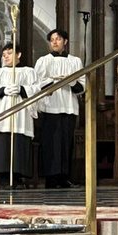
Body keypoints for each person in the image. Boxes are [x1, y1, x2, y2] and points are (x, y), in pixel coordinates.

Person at [0, 42, 41, 188]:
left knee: (19, 143)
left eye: (9, 53)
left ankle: (18, 177)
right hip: (3, 113)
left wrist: (22, 89)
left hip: (21, 114)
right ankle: (3, 178)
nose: (6, 57)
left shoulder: (29, 72)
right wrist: (3, 90)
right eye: (4, 54)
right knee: (3, 144)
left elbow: (37, 89)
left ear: (18, 54)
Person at [34, 29, 85, 188]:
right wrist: (54, 81)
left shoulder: (75, 61)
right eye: (52, 40)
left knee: (66, 143)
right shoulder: (44, 61)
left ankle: (64, 177)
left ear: (65, 41)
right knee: (51, 143)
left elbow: (82, 87)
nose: (55, 42)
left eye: (58, 39)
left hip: (69, 106)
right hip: (50, 106)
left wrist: (70, 81)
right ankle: (51, 178)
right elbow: (36, 84)